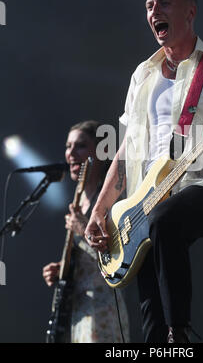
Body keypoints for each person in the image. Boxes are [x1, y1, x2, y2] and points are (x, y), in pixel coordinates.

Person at [84, 0, 203, 343]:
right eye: (148, 6)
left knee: (165, 221)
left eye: (164, 4)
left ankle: (180, 333)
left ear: (190, 12)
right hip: (147, 199)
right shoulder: (142, 75)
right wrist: (100, 210)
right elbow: (125, 150)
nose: (153, 11)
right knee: (149, 313)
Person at [43, 120, 130, 343]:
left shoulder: (112, 197)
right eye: (68, 146)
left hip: (102, 305)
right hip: (78, 307)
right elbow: (88, 258)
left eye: (80, 146)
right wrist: (65, 270)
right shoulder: (78, 199)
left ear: (100, 152)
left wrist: (83, 229)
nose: (71, 153)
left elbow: (119, 253)